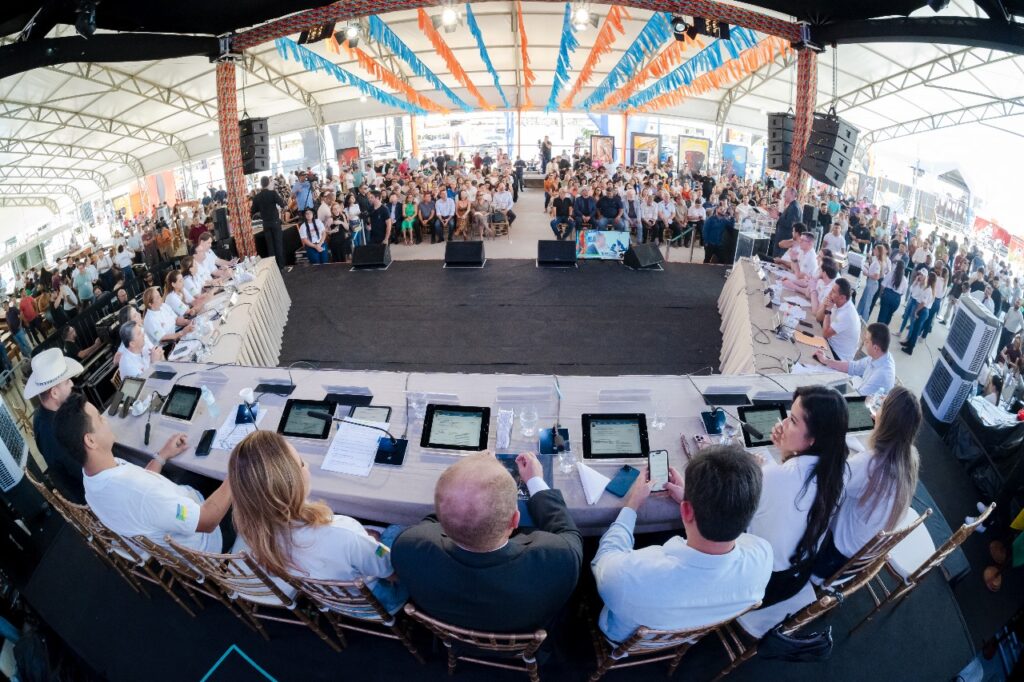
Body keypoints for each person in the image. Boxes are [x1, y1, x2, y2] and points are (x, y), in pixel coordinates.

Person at [592, 446, 772, 642]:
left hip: (622, 639)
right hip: (685, 639)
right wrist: (696, 501)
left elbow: (604, 556)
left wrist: (632, 504)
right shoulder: (763, 556)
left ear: (686, 511)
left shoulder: (627, 576)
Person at [391, 452, 582, 633]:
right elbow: (566, 531)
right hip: (525, 636)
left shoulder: (408, 547)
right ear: (515, 520)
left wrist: (465, 478)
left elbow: (435, 520)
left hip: (454, 638)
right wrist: (535, 481)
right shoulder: (559, 559)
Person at [228, 431, 406, 613]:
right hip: (379, 601)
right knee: (400, 530)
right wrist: (374, 545)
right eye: (301, 463)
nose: (307, 465)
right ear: (293, 483)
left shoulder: (255, 536)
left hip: (333, 602)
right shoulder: (345, 531)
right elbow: (391, 571)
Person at [55, 393, 233, 552]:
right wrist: (236, 469)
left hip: (179, 516)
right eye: (99, 419)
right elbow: (208, 520)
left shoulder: (92, 480)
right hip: (209, 539)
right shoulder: (142, 492)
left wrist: (162, 456)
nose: (106, 419)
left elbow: (144, 488)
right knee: (233, 468)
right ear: (91, 441)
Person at [739, 385, 849, 636]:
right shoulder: (839, 471)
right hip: (796, 578)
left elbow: (734, 518)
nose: (784, 424)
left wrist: (768, 466)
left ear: (813, 439)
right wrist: (787, 453)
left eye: (793, 420)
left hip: (759, 586)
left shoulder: (776, 477)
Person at [812, 387, 920, 580]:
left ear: (885, 419)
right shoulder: (909, 460)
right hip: (854, 563)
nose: (877, 410)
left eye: (881, 406)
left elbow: (825, 484)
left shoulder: (869, 464)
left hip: (828, 559)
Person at [25, 349, 86, 502]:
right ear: (54, 393)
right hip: (87, 493)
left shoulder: (43, 413)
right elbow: (86, 472)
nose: (72, 383)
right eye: (67, 381)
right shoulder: (55, 432)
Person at [814, 323, 895, 396]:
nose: (863, 343)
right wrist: (826, 361)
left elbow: (858, 399)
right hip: (859, 390)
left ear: (875, 348)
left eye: (867, 341)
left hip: (861, 402)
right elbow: (853, 367)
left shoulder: (881, 375)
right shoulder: (878, 355)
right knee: (824, 386)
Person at [251, 175, 287, 268]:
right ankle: (281, 266)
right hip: (275, 222)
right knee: (278, 244)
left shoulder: (257, 197)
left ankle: (274, 267)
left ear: (261, 184)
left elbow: (253, 211)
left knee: (270, 247)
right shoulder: (273, 193)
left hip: (266, 223)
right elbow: (283, 204)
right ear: (268, 183)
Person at [822, 278, 861, 361]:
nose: (830, 293)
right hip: (831, 344)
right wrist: (824, 305)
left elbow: (825, 334)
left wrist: (827, 311)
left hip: (838, 356)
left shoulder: (847, 314)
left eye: (833, 291)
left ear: (842, 298)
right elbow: (818, 317)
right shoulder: (840, 303)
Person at [900, 271, 937, 356]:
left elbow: (923, 303)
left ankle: (910, 349)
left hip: (922, 310)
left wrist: (916, 311)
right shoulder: (930, 289)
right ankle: (909, 343)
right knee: (914, 329)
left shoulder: (928, 290)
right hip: (923, 310)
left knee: (916, 331)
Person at [857, 244, 889, 321]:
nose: (874, 250)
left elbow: (877, 276)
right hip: (870, 283)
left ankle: (864, 321)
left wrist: (867, 274)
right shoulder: (877, 260)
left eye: (875, 249)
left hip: (872, 283)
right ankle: (857, 316)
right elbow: (873, 270)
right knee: (863, 301)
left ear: (879, 252)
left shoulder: (878, 263)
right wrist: (865, 267)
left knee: (867, 304)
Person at [876, 260, 908, 326]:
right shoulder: (905, 280)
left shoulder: (891, 274)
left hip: (887, 295)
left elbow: (883, 285)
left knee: (882, 315)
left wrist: (880, 294)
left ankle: (877, 330)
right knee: (889, 316)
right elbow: (903, 293)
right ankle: (884, 329)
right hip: (896, 299)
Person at [771, 187, 801, 257]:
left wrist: (777, 217)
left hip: (784, 239)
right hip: (782, 239)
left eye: (786, 192)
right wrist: (778, 214)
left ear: (792, 194)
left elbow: (790, 224)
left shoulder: (794, 207)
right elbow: (787, 218)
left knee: (778, 259)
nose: (784, 194)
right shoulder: (792, 205)